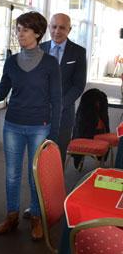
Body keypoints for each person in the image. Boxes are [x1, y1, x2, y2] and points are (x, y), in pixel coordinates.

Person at [0, 11, 61, 241]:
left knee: (35, 177)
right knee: (12, 175)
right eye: (18, 29)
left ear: (37, 33)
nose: (19, 33)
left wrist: (54, 132)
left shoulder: (50, 63)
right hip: (12, 124)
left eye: (24, 29)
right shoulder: (11, 62)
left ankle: (35, 217)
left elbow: (57, 99)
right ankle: (11, 216)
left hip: (39, 126)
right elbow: (1, 91)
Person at [40, 13, 87, 165]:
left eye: (62, 27)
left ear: (69, 29)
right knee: (38, 156)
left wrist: (60, 104)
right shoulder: (39, 49)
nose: (57, 31)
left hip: (63, 115)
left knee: (57, 157)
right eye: (54, 27)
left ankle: (55, 189)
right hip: (37, 115)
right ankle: (37, 188)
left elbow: (78, 85)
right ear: (49, 27)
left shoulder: (78, 52)